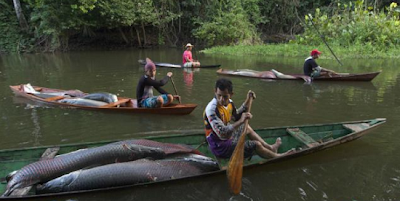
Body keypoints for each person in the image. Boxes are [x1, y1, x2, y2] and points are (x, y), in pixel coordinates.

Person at [203, 78, 294, 159]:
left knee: (246, 127)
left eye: (225, 96)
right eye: (219, 95)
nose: (221, 99)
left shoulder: (229, 103)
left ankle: (270, 148)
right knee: (255, 145)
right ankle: (277, 157)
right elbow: (222, 134)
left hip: (227, 138)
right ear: (215, 91)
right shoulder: (212, 109)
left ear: (231, 94)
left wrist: (247, 100)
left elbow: (236, 116)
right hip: (220, 146)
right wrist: (241, 121)